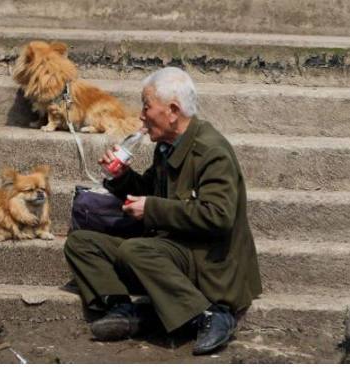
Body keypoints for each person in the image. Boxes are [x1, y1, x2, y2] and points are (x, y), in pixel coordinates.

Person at [64, 67, 262, 355]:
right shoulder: (167, 147)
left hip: (207, 262)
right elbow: (153, 192)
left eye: (146, 106)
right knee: (81, 244)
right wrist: (121, 179)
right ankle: (126, 311)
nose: (141, 116)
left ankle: (208, 315)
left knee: (136, 251)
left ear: (172, 110)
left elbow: (218, 216)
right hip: (170, 251)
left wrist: (153, 209)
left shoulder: (210, 151)